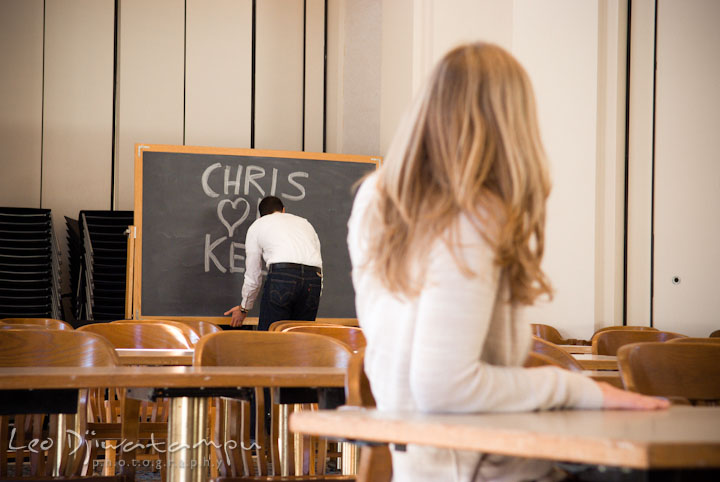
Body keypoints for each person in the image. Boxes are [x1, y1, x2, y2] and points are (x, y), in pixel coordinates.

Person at [347, 43, 668, 482]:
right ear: (511, 121)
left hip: (422, 466)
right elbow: (444, 387)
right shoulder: (471, 214)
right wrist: (578, 389)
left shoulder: (377, 198)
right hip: (484, 466)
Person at [225, 196, 323, 330]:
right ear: (283, 210)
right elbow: (318, 261)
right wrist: (316, 292)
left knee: (271, 339)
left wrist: (244, 308)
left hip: (282, 276)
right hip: (313, 280)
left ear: (261, 215)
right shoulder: (305, 223)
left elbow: (253, 274)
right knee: (302, 339)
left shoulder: (258, 225)